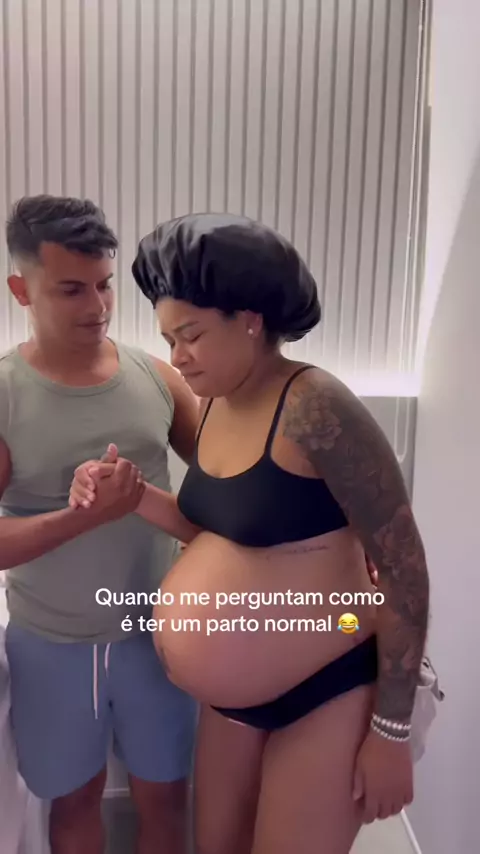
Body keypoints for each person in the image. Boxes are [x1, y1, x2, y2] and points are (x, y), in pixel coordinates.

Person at [70, 213, 430, 854]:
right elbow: (224, 534)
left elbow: (404, 570)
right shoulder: (213, 401)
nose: (177, 357)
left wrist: (390, 733)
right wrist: (133, 496)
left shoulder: (316, 407)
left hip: (328, 686)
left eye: (191, 336)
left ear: (250, 321)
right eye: (168, 338)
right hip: (232, 706)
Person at [0, 196, 201, 854]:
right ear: (22, 290)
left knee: (167, 800)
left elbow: (233, 486)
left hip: (158, 635)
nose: (98, 306)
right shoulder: (5, 394)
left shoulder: (155, 377)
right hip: (50, 643)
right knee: (75, 801)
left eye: (105, 285)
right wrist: (82, 516)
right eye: (72, 289)